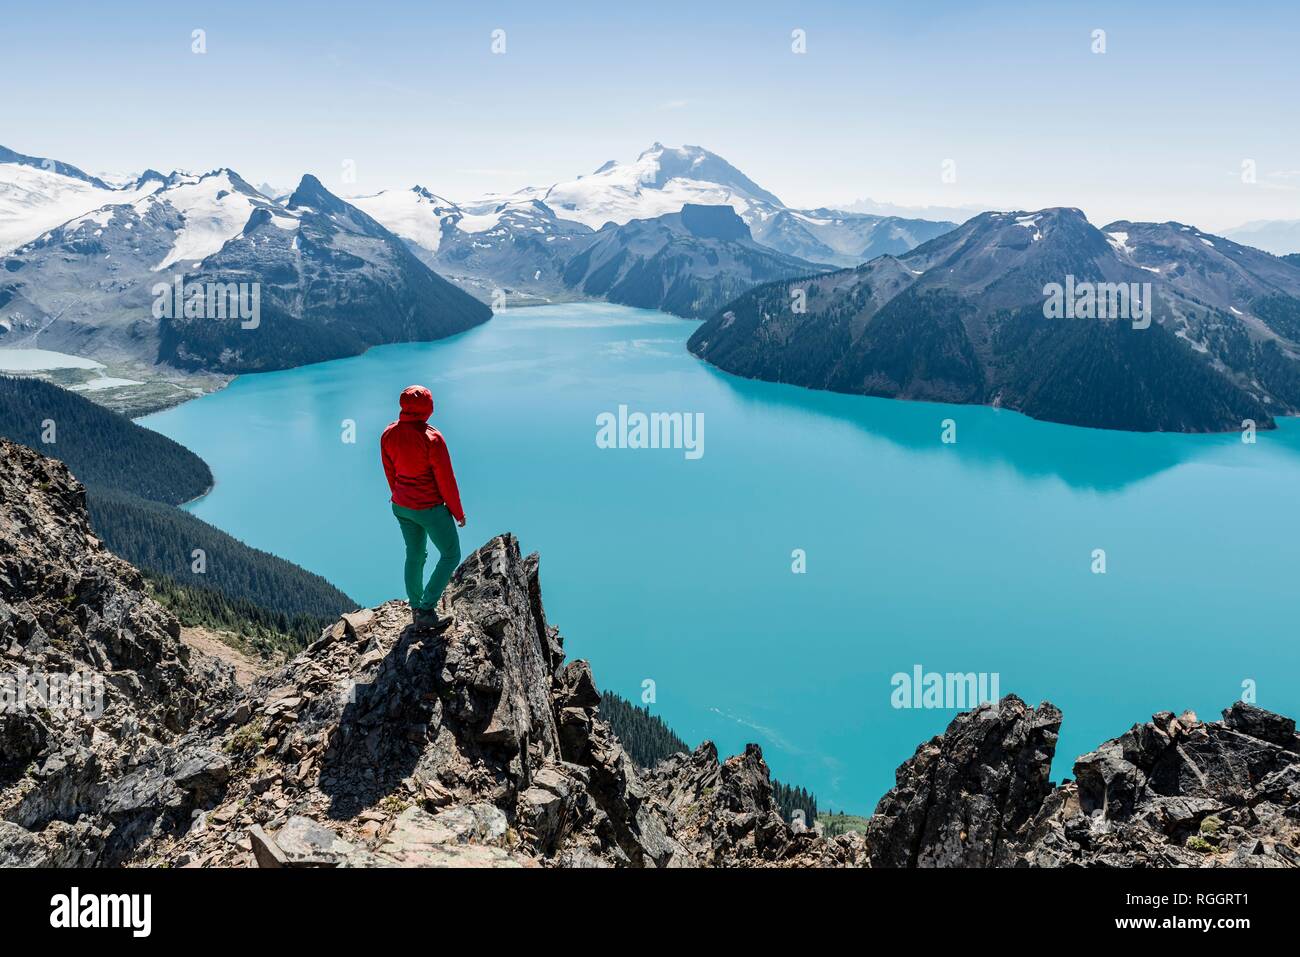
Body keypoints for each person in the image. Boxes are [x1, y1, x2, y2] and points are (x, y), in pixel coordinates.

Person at [380, 385, 465, 630]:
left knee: (415, 554)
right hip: (429, 507)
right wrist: (458, 513)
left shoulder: (388, 434)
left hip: (401, 506)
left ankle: (416, 606)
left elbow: (391, 473)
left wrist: (400, 496)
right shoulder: (432, 438)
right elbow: (446, 480)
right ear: (427, 408)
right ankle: (427, 610)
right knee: (450, 555)